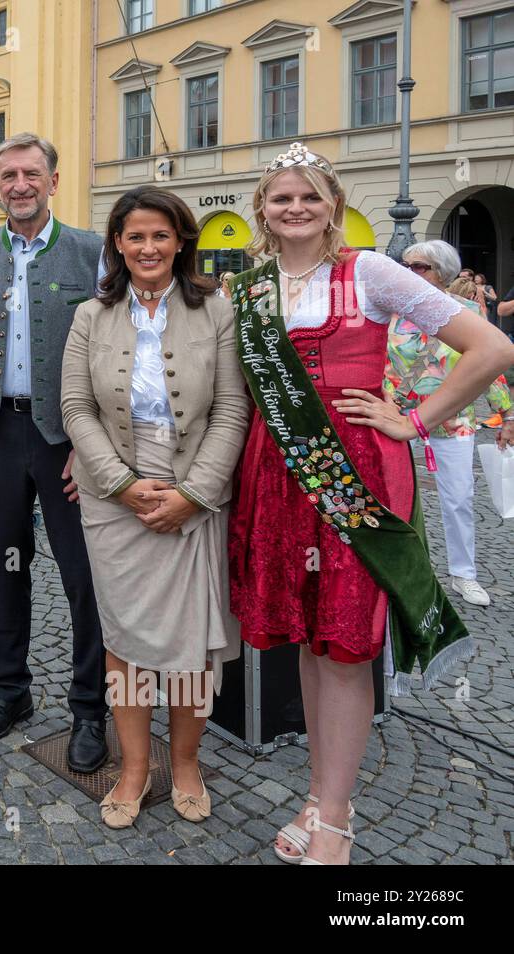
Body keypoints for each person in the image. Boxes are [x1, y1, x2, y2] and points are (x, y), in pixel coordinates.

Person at [228, 143, 514, 865]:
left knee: (348, 644)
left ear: (334, 205)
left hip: (352, 472)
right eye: (281, 197)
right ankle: (323, 793)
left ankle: (335, 818)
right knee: (309, 635)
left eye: (309, 197)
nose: (294, 208)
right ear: (262, 208)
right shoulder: (251, 285)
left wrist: (414, 421)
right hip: (275, 470)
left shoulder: (371, 271)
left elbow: (489, 348)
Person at [61, 186, 249, 827]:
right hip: (113, 496)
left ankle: (188, 763)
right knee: (125, 640)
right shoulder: (91, 314)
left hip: (194, 482)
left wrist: (194, 494)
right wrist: (116, 482)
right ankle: (136, 767)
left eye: (161, 236)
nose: (148, 247)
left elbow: (232, 407)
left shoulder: (216, 309)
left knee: (192, 642)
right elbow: (74, 407)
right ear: (117, 242)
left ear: (181, 242)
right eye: (135, 236)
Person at [0, 132, 108, 772]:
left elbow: (109, 354)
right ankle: (10, 691)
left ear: (53, 181)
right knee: (5, 566)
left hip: (67, 438)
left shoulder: (91, 252)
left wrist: (92, 444)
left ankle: (89, 708)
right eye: (8, 175)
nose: (19, 184)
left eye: (31, 173)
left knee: (82, 575)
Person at [386, 241, 513, 607]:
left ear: (442, 271)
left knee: (459, 499)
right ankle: (397, 569)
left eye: (419, 267)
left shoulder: (467, 310)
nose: (409, 273)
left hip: (452, 419)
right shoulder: (390, 310)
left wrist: (507, 414)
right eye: (404, 266)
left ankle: (464, 575)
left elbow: (490, 365)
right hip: (396, 418)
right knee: (393, 497)